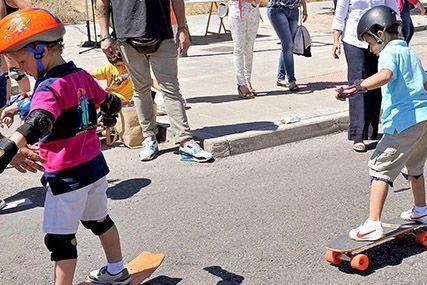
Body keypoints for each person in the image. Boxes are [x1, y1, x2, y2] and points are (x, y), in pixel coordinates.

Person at [0, 9, 131, 284]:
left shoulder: (48, 87)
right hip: (95, 169)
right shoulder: (81, 75)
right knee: (100, 221)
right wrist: (108, 115)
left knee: (60, 241)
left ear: (40, 51)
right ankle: (117, 271)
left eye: (21, 61)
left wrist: (9, 147)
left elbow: (39, 122)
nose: (20, 69)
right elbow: (111, 101)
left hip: (66, 177)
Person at [336, 6, 427, 241]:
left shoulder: (389, 51)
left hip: (403, 124)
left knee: (379, 167)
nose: (370, 49)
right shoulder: (410, 52)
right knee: (415, 169)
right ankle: (421, 211)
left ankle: (373, 223)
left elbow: (386, 75)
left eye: (369, 42)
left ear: (379, 32)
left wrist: (359, 85)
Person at [96, 0, 213, 162]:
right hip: (127, 37)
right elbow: (103, 3)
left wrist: (182, 27)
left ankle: (185, 140)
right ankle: (149, 139)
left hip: (162, 33)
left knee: (171, 89)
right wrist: (105, 35)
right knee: (140, 89)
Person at [332, 0, 398, 152]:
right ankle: (358, 134)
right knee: (358, 82)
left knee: (376, 82)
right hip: (354, 40)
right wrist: (336, 40)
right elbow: (340, 13)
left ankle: (371, 130)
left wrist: (396, 34)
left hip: (379, 40)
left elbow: (393, 11)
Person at [267, 0, 308, 91]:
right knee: (288, 45)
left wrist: (304, 8)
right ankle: (291, 80)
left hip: (294, 10)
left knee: (287, 46)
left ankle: (280, 77)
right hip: (277, 9)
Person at [229, 0, 261, 99]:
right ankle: (241, 83)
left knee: (249, 48)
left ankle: (248, 80)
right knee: (239, 49)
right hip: (238, 10)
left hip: (253, 8)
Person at [1, 0, 32, 99]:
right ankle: (6, 105)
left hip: (10, 39)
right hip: (2, 39)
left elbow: (29, 10)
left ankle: (27, 102)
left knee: (16, 73)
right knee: (4, 75)